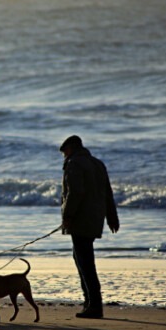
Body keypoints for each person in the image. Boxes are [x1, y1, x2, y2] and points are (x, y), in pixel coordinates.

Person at [59, 135, 119, 319]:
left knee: (84, 261)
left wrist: (67, 216)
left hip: (80, 219)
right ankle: (89, 302)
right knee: (82, 258)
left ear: (71, 148)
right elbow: (107, 192)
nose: (64, 156)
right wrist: (112, 217)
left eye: (64, 152)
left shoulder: (74, 164)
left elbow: (75, 193)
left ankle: (94, 305)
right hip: (95, 218)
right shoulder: (97, 163)